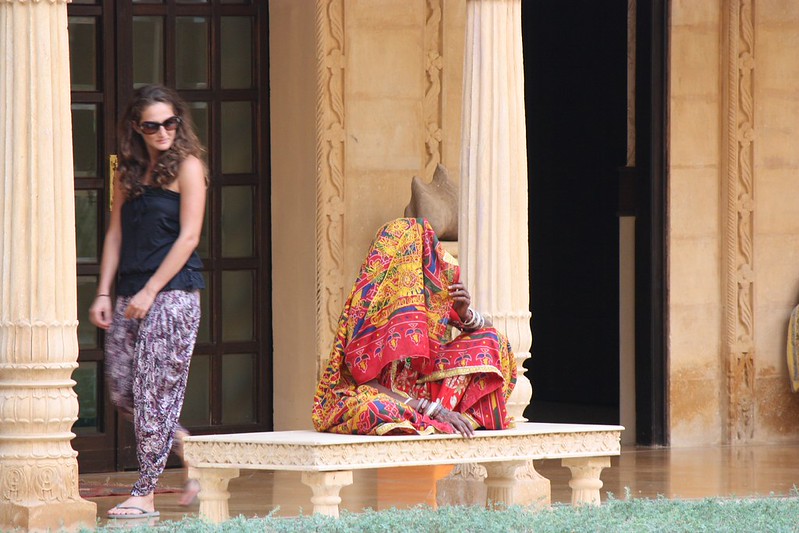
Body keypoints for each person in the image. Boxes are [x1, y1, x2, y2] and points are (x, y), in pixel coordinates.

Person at [89, 84, 207, 519]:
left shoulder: (189, 166)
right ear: (136, 128)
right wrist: (105, 292)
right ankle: (189, 451)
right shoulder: (129, 172)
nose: (163, 132)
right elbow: (115, 234)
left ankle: (145, 492)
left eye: (170, 123)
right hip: (129, 293)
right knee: (124, 392)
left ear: (179, 121)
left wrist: (151, 289)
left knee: (154, 394)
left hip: (172, 295)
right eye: (152, 126)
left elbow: (189, 237)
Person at [312, 217, 517, 437]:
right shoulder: (366, 304)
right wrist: (429, 408)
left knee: (494, 342)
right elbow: (365, 383)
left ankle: (459, 419)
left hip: (421, 389)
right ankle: (432, 419)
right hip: (384, 396)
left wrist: (465, 313)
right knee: (374, 410)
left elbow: (487, 332)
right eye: (412, 254)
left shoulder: (424, 292)